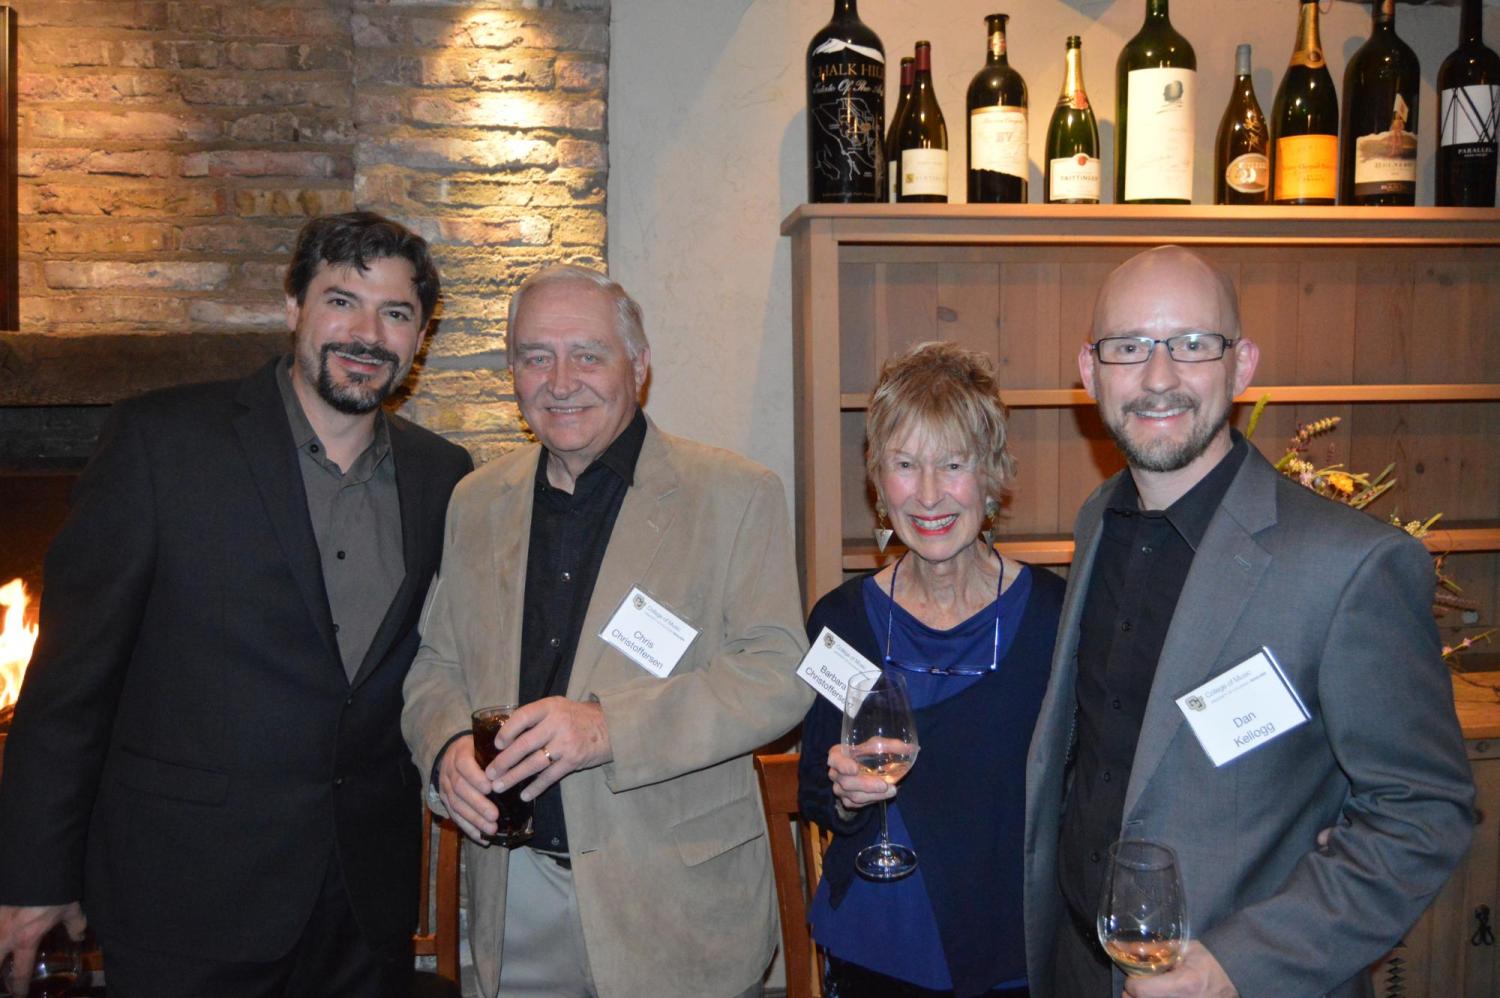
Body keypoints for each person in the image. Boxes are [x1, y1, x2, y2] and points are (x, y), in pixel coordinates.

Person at [0, 211, 473, 997]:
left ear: (419, 338)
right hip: (186, 899)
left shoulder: (443, 475)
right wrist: (35, 872)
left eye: (395, 313)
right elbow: (70, 681)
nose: (366, 332)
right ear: (292, 309)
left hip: (362, 904)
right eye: (340, 301)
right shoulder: (162, 442)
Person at [1022, 245, 1475, 998]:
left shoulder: (1351, 566)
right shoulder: (1099, 519)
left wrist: (1237, 966)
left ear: (1242, 365)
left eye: (1194, 345)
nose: (1159, 377)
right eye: (1129, 347)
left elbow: (1424, 813)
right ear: (1090, 369)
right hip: (1077, 962)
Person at [400, 263, 813, 998]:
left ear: (640, 367)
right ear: (512, 371)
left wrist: (606, 727)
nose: (561, 380)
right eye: (535, 356)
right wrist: (445, 750)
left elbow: (777, 673)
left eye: (588, 354)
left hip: (677, 907)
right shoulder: (475, 500)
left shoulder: (735, 495)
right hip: (515, 899)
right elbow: (437, 663)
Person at [798, 342, 1064, 998]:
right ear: (878, 480)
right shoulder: (842, 621)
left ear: (993, 474)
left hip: (1020, 949)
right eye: (905, 465)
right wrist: (845, 795)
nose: (928, 495)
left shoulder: (1057, 617)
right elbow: (814, 789)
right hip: (881, 946)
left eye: (953, 464)